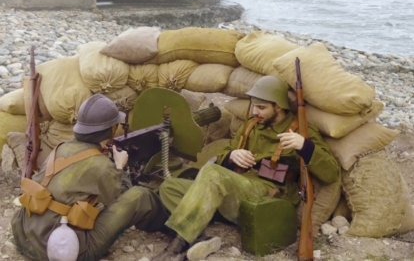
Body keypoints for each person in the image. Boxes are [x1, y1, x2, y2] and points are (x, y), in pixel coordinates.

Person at [154, 75, 341, 261]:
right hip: (235, 191)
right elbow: (224, 155)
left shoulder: (301, 131)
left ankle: (179, 245)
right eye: (253, 106)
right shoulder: (251, 126)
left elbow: (331, 173)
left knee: (212, 173)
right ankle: (199, 236)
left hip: (266, 196)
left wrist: (305, 147)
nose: (255, 112)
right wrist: (231, 156)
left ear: (279, 106)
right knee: (169, 187)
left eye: (261, 107)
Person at [12, 94, 168, 261]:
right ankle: (171, 225)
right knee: (140, 196)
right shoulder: (101, 165)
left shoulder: (61, 148)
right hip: (61, 250)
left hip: (24, 234)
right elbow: (124, 197)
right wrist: (119, 167)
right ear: (112, 129)